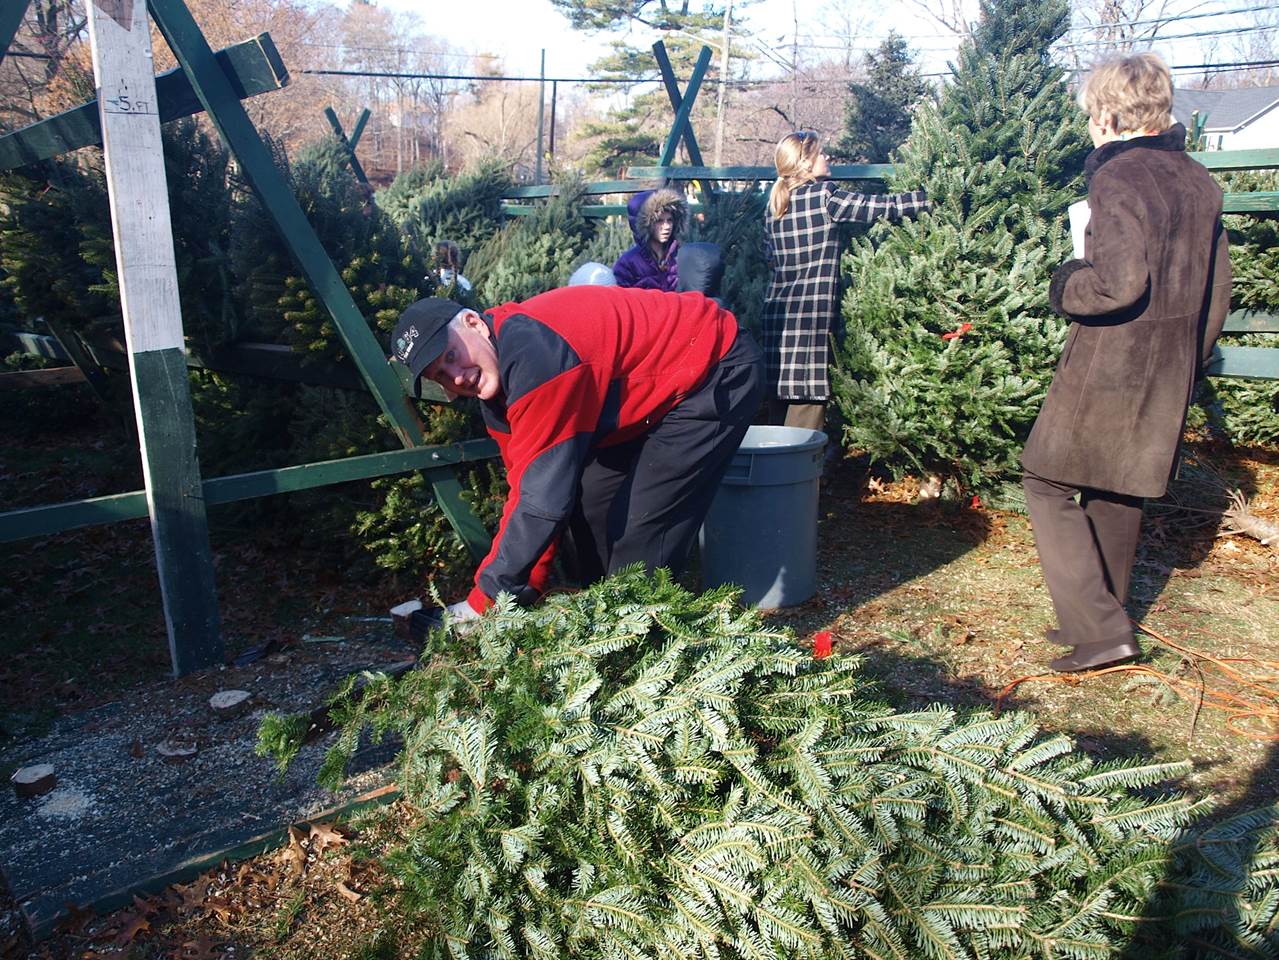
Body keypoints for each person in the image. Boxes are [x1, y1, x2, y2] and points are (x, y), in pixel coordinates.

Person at [1021, 52, 1231, 673]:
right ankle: (1098, 623)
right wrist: (1189, 362)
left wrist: (1066, 283)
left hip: (1111, 359)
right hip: (1170, 363)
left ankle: (1101, 627)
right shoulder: (1200, 179)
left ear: (1108, 113)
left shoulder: (1118, 177)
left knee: (1046, 479)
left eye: (1091, 112)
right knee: (1118, 488)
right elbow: (1218, 288)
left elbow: (1117, 284)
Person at [389, 286, 764, 623]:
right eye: (442, 374)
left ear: (474, 323)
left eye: (452, 355)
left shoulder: (536, 357)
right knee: (590, 507)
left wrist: (483, 602)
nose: (457, 377)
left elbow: (543, 500)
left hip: (713, 366)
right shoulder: (498, 399)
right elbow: (527, 491)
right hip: (646, 395)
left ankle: (638, 642)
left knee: (643, 527)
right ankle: (599, 626)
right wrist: (522, 589)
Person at [763, 131, 929, 431]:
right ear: (805, 162)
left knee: (778, 421)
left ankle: (773, 478)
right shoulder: (825, 198)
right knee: (804, 424)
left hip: (779, 318)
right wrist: (929, 197)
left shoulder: (774, 207)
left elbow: (769, 259)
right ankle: (802, 479)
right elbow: (881, 207)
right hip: (811, 321)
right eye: (821, 153)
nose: (827, 158)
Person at [612, 188, 687, 290]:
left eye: (670, 220)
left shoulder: (682, 256)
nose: (667, 226)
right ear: (646, 224)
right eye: (659, 221)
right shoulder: (627, 264)